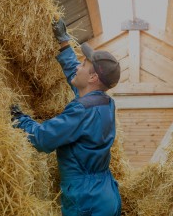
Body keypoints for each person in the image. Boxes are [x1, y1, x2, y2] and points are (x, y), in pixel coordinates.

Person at [10, 18, 121, 216]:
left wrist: (18, 118)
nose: (78, 67)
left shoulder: (81, 110)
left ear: (93, 77)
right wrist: (64, 43)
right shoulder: (105, 103)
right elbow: (77, 79)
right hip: (105, 195)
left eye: (83, 65)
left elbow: (41, 139)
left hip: (86, 203)